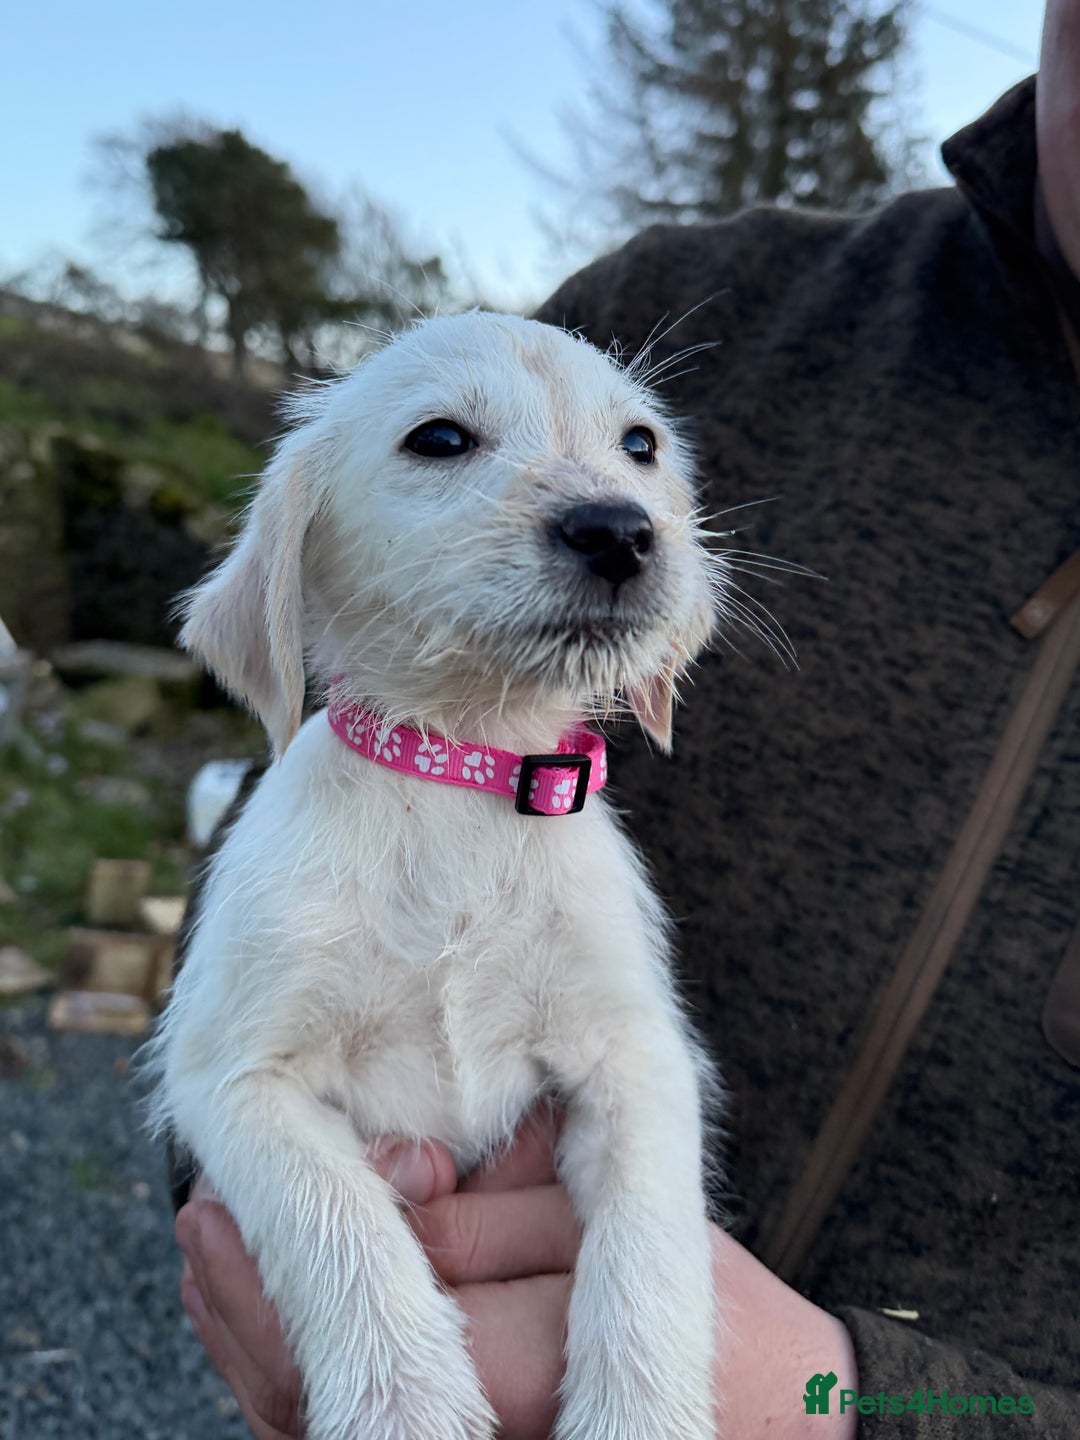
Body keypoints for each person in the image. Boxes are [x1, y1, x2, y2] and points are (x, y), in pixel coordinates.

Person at [172, 1, 1080, 1433]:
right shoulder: (709, 300)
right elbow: (231, 1061)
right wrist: (317, 1273)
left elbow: (632, 1069)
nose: (609, 506)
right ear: (293, 572)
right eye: (445, 442)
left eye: (639, 452)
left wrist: (842, 1406)